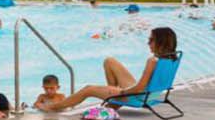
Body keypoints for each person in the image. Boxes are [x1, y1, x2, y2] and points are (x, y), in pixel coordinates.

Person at [48, 26, 180, 112]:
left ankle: (52, 107)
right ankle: (112, 102)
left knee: (88, 89)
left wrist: (121, 92)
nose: (148, 43)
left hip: (137, 97)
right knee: (110, 61)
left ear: (161, 42)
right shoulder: (172, 59)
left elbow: (139, 88)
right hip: (150, 96)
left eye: (151, 40)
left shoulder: (153, 61)